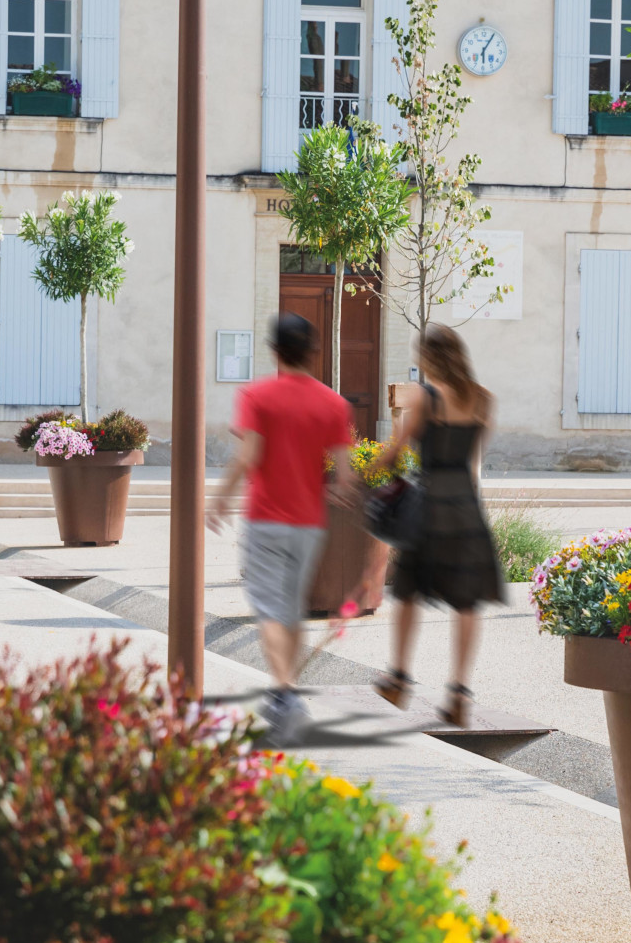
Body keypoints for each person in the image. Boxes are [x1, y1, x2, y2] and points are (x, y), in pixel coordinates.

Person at [210, 312, 355, 743]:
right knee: (291, 610)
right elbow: (345, 476)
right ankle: (284, 696)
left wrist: (220, 498)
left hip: (266, 519)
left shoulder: (257, 396)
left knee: (269, 610)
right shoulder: (333, 404)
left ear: (275, 352)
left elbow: (249, 456)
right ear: (313, 352)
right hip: (309, 524)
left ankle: (286, 695)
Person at [367, 323, 505, 728]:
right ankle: (459, 692)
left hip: (429, 508)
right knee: (467, 602)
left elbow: (394, 453)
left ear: (428, 358)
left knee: (408, 593)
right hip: (466, 508)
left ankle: (398, 678)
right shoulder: (483, 398)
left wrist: (367, 473)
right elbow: (473, 459)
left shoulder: (425, 398)